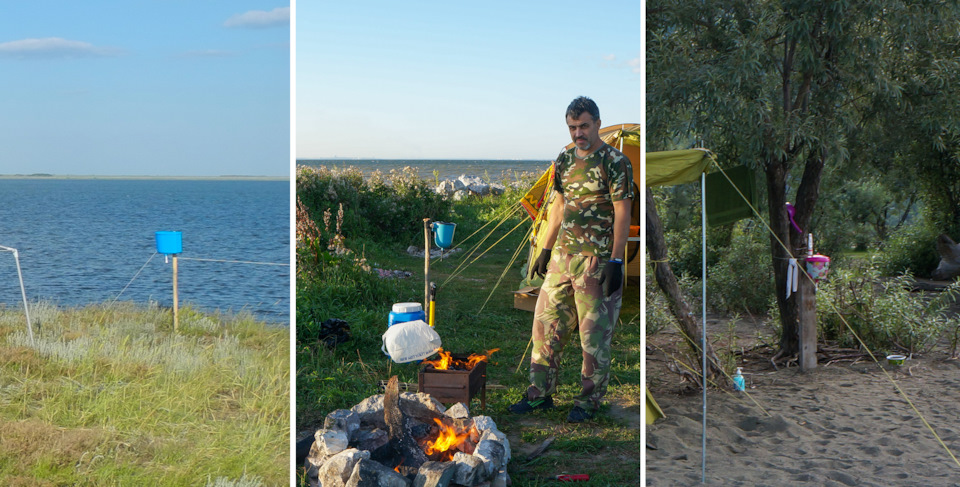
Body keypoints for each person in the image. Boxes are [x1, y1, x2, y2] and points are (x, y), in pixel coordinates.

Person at [509, 96, 634, 422]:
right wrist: (545, 249)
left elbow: (623, 213)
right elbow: (558, 207)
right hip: (562, 259)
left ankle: (587, 404)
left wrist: (617, 261)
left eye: (584, 126)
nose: (578, 133)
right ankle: (538, 396)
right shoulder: (564, 159)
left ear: (597, 124)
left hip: (596, 262)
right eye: (572, 127)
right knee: (545, 329)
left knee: (593, 339)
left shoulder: (615, 161)